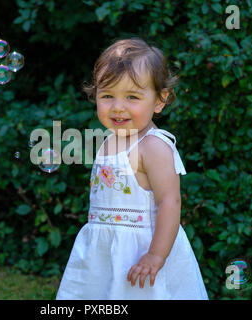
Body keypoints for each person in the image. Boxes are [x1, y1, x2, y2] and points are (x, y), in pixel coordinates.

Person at [56, 37, 208, 300]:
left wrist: (156, 255)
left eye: (132, 97)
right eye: (107, 96)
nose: (117, 107)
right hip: (104, 252)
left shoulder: (153, 146)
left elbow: (170, 202)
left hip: (140, 253)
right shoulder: (107, 141)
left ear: (160, 101)